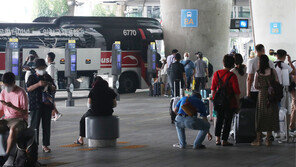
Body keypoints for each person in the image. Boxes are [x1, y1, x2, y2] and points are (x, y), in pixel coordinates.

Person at [75, 76, 117, 145]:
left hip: (95, 112)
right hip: (108, 112)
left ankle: (80, 139)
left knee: (82, 119)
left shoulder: (93, 91)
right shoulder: (110, 90)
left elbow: (89, 105)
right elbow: (115, 104)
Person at [26, 59, 56, 153]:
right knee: (35, 126)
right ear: (36, 69)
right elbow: (28, 89)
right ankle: (33, 145)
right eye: (40, 68)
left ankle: (45, 145)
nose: (42, 70)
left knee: (46, 126)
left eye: (43, 68)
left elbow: (54, 88)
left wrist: (51, 86)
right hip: (35, 105)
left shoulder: (48, 77)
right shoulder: (32, 77)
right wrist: (38, 84)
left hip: (46, 105)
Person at [211, 55, 240, 146]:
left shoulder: (217, 74)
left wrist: (214, 100)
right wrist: (237, 104)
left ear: (223, 63)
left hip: (219, 101)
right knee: (228, 120)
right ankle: (225, 140)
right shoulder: (232, 76)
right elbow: (236, 92)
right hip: (229, 102)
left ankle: (217, 139)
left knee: (219, 119)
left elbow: (213, 89)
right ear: (232, 64)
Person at [252, 55, 279, 146]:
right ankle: (268, 140)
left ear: (260, 63)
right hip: (271, 96)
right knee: (270, 115)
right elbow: (277, 82)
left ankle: (258, 140)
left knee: (260, 115)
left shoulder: (258, 73)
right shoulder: (272, 71)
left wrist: (263, 88)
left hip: (262, 95)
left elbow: (255, 86)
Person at [0, 72, 28, 155]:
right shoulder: (3, 93)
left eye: (9, 85)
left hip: (20, 119)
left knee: (13, 129)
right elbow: (1, 110)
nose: (7, 88)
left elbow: (25, 112)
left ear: (14, 83)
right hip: (7, 119)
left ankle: (6, 154)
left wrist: (12, 106)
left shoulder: (21, 92)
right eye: (5, 85)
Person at [274, 50, 295, 138]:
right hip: (281, 90)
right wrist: (290, 61)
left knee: (275, 110)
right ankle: (282, 131)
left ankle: (276, 131)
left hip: (272, 90)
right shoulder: (283, 65)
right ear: (285, 56)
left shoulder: (272, 64)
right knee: (282, 110)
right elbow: (294, 72)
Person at [45, 52, 62, 121]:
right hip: (52, 86)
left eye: (46, 57)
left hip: (51, 87)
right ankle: (54, 115)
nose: (46, 58)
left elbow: (51, 78)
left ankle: (57, 113)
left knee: (50, 100)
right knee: (51, 100)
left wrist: (48, 86)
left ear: (49, 58)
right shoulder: (52, 66)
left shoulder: (50, 67)